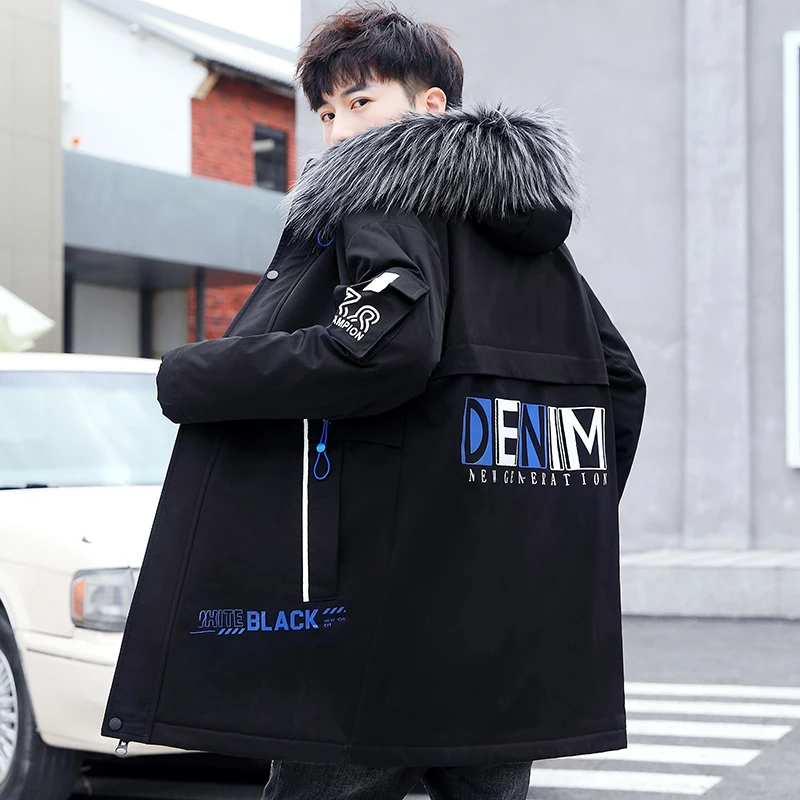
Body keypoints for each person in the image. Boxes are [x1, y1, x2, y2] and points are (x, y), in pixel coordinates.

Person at [101, 3, 646, 799]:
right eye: (326, 112)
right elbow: (619, 381)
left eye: (361, 102)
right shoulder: (533, 240)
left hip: (384, 618)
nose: (339, 131)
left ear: (432, 105)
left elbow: (383, 350)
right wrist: (546, 521)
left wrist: (195, 374)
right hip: (507, 621)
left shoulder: (381, 199)